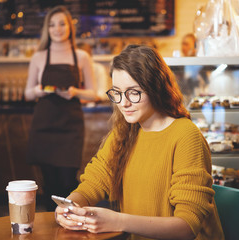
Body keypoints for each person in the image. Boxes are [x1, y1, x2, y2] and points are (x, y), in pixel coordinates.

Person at [55, 45, 224, 240]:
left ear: (156, 88)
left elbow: (186, 226)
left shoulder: (186, 136)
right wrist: (69, 207)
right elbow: (94, 182)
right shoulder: (124, 132)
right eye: (117, 92)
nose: (123, 103)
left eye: (133, 93)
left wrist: (117, 221)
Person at [24, 5, 97, 211]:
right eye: (52, 25)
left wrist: (75, 92)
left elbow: (94, 93)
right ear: (47, 29)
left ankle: (68, 223)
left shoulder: (81, 56)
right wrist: (39, 90)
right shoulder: (39, 57)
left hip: (70, 127)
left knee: (67, 182)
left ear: (69, 27)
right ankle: (51, 227)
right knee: (49, 185)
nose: (57, 29)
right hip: (44, 126)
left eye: (62, 24)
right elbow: (27, 93)